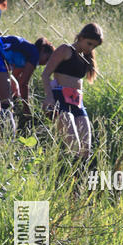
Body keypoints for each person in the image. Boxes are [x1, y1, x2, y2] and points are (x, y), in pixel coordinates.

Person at [41, 22, 103, 159]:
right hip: (59, 98)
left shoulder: (86, 57)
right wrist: (49, 97)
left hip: (77, 102)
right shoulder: (65, 50)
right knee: (74, 146)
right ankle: (64, 169)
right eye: (89, 43)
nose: (91, 48)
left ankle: (79, 172)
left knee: (86, 150)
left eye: (94, 46)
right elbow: (45, 75)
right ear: (80, 37)